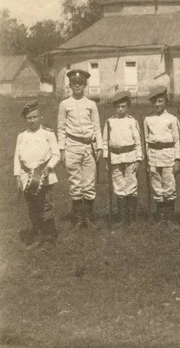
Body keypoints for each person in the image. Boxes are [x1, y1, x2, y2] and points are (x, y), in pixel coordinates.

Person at [57, 69, 103, 230]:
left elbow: (97, 127)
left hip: (89, 147)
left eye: (80, 83)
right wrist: (61, 150)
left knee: (89, 183)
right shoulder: (64, 104)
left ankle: (88, 218)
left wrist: (99, 147)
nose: (77, 86)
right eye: (74, 83)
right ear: (70, 85)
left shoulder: (91, 104)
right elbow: (61, 129)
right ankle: (77, 219)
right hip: (72, 146)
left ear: (85, 85)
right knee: (75, 183)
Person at [14, 101, 60, 248]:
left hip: (44, 176)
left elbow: (56, 154)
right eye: (29, 118)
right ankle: (38, 235)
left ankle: (49, 238)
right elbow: (17, 158)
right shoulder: (21, 136)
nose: (32, 120)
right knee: (32, 207)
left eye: (35, 117)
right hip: (27, 177)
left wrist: (49, 167)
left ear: (41, 116)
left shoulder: (48, 133)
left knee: (45, 205)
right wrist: (17, 177)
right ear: (25, 119)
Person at [102, 91, 142, 226]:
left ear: (128, 107)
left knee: (131, 184)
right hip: (115, 157)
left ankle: (132, 218)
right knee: (119, 185)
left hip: (130, 156)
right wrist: (106, 159)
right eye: (118, 106)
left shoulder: (132, 121)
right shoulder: (109, 122)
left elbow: (138, 142)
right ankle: (123, 218)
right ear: (115, 107)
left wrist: (138, 159)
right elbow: (105, 142)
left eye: (123, 106)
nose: (120, 109)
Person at [143, 86, 180, 226]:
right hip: (153, 156)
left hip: (168, 156)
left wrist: (177, 159)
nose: (158, 104)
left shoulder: (172, 119)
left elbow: (177, 141)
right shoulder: (148, 119)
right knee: (156, 187)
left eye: (160, 101)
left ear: (166, 101)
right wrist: (147, 161)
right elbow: (146, 141)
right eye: (155, 102)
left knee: (169, 186)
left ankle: (170, 219)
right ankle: (161, 218)